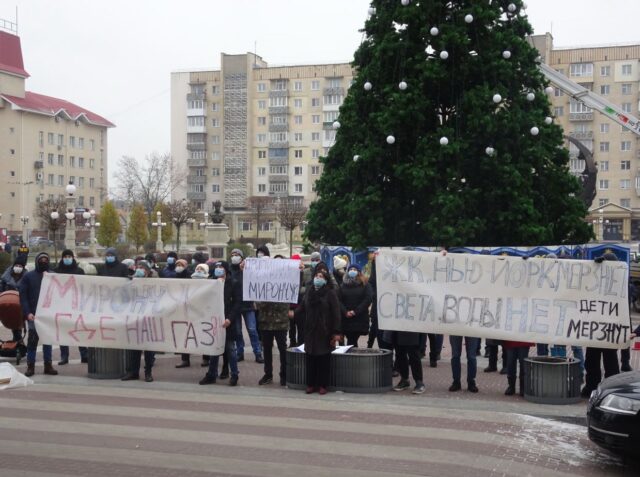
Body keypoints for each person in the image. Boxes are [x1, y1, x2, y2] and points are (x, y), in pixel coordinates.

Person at [581, 252, 622, 397]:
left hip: (609, 329)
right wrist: (594, 267)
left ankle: (611, 387)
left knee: (610, 362)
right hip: (595, 327)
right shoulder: (595, 281)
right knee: (592, 360)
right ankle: (591, 385)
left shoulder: (619, 281)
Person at [295, 268, 341, 394]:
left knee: (323, 360)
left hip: (324, 332)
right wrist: (294, 313)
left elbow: (336, 313)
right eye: (316, 276)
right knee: (310, 359)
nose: (318, 278)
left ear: (325, 280)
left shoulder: (330, 293)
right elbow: (302, 307)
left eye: (321, 276)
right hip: (310, 331)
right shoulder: (309, 292)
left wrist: (336, 332)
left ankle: (322, 385)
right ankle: (310, 384)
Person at [199, 261, 241, 386]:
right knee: (214, 350)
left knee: (230, 349)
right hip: (214, 321)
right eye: (216, 267)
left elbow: (238, 303)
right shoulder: (212, 283)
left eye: (221, 267)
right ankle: (211, 374)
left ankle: (234, 375)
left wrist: (230, 319)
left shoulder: (234, 283)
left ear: (226, 270)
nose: (218, 269)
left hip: (227, 322)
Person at [18, 252, 58, 377]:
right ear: (37, 261)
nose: (44, 262)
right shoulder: (28, 277)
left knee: (47, 341)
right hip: (34, 315)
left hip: (48, 315)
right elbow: (23, 297)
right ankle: (31, 366)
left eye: (46, 260)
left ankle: (48, 365)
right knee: (32, 341)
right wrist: (28, 313)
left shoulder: (53, 276)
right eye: (41, 260)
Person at [256, 255, 290, 386]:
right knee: (267, 350)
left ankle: (284, 375)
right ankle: (268, 374)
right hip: (266, 321)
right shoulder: (263, 279)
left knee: (283, 349)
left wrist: (300, 270)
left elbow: (296, 289)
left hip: (281, 321)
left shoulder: (288, 280)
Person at [121, 261, 156, 382]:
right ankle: (133, 372)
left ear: (147, 270)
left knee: (149, 349)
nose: (139, 269)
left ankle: (148, 372)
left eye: (142, 268)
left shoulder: (155, 282)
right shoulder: (131, 281)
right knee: (134, 347)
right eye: (138, 267)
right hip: (134, 319)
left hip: (149, 319)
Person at [228, 248, 263, 364]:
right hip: (235, 306)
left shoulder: (248, 269)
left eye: (237, 254)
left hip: (248, 305)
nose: (234, 256)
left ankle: (258, 353)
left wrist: (244, 270)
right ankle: (240, 353)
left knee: (252, 330)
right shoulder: (229, 270)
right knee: (238, 331)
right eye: (233, 254)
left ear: (242, 257)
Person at [54, 249, 87, 365]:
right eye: (65, 256)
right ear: (62, 258)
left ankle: (84, 355)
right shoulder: (56, 271)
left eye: (69, 256)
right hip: (62, 306)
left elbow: (85, 287)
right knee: (63, 332)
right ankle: (64, 356)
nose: (67, 258)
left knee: (79, 330)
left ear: (73, 257)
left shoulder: (79, 271)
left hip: (77, 306)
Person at [338, 263, 372, 347]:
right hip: (346, 318)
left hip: (359, 318)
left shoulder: (365, 284)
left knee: (352, 340)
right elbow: (338, 300)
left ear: (359, 272)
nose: (352, 271)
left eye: (354, 269)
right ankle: (348, 357)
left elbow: (368, 299)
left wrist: (355, 312)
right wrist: (345, 312)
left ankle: (350, 358)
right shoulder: (343, 285)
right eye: (350, 269)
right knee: (350, 341)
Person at [0, 255, 28, 344]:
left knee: (17, 323)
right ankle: (18, 341)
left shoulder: (26, 278)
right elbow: (1, 288)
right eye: (17, 265)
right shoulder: (6, 277)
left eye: (20, 266)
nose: (18, 267)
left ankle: (18, 341)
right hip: (7, 302)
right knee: (12, 322)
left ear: (23, 268)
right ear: (13, 266)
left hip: (20, 304)